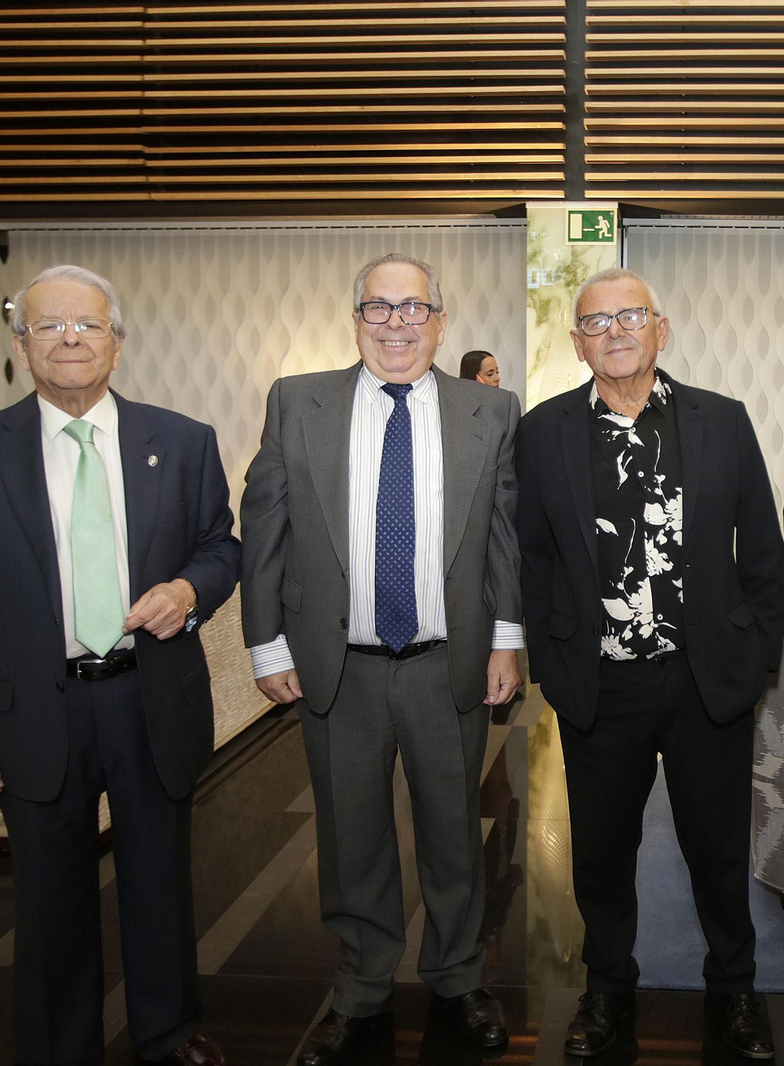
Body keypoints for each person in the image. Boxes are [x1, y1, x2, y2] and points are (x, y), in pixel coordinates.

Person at [0, 265, 241, 1066]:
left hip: (147, 695)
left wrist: (186, 589)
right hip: (34, 708)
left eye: (88, 325)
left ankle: (167, 1033)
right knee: (49, 896)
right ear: (21, 345)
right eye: (48, 326)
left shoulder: (183, 438)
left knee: (160, 884)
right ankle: (60, 1045)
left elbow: (221, 548)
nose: (69, 339)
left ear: (118, 343)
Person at [239, 253, 522, 1066]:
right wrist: (265, 642)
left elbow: (504, 539)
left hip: (448, 663)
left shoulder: (490, 410)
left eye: (414, 308)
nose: (397, 324)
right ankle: (360, 989)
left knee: (453, 834)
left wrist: (506, 641)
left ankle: (459, 978)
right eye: (379, 308)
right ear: (354, 317)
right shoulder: (298, 402)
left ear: (441, 319)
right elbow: (266, 531)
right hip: (342, 665)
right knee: (351, 833)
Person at [516, 267, 784, 1060]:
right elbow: (531, 557)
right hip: (603, 683)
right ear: (576, 342)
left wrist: (756, 656)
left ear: (660, 328)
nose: (615, 332)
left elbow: (763, 552)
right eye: (596, 322)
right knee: (601, 850)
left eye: (630, 316)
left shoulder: (722, 421)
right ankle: (607, 989)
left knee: (718, 846)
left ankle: (733, 988)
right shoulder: (544, 431)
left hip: (706, 681)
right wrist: (554, 660)